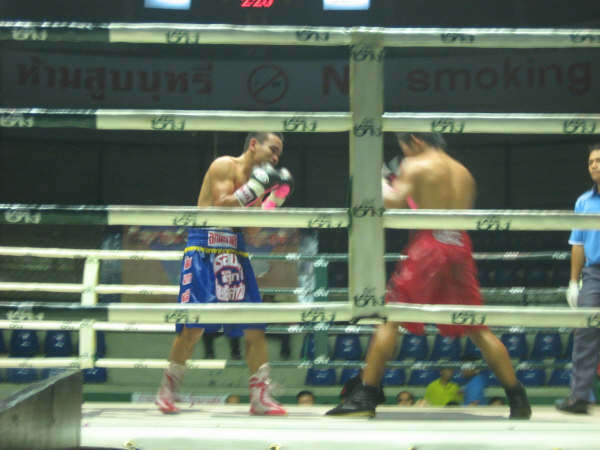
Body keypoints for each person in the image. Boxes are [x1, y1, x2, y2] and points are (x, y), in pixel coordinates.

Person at [326, 132, 531, 419]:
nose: (405, 154)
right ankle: (518, 399)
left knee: (389, 317)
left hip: (428, 247)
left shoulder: (416, 165)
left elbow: (394, 203)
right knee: (477, 327)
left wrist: (379, 180)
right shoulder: (464, 172)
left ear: (416, 140)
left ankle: (365, 395)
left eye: (404, 147)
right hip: (459, 245)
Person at [155, 132, 294, 415]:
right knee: (193, 327)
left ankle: (260, 397)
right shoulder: (224, 165)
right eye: (273, 149)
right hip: (205, 246)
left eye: (280, 153)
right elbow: (220, 204)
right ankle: (167, 390)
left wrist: (273, 202)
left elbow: (253, 231)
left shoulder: (259, 182)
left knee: (254, 324)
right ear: (254, 145)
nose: (276, 157)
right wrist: (256, 189)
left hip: (236, 251)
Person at [556, 142, 600, 415]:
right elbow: (578, 244)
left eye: (599, 159)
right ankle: (580, 396)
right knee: (584, 333)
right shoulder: (584, 202)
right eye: (591, 161)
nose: (594, 164)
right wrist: (574, 282)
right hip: (594, 275)